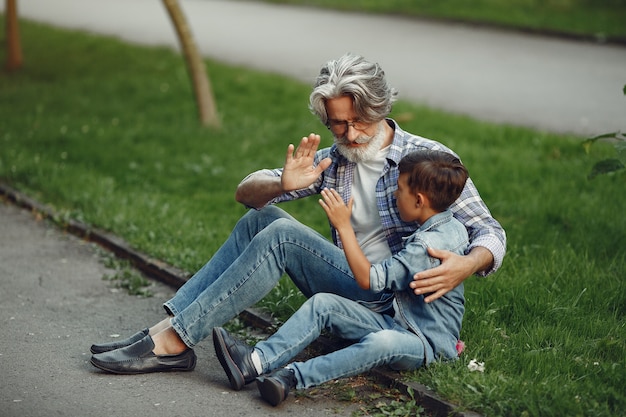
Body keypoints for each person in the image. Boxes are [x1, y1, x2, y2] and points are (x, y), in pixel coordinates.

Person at [89, 53, 505, 375]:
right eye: (338, 125)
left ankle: (174, 342)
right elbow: (244, 193)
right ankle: (172, 328)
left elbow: (489, 230)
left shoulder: (427, 163)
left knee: (282, 236)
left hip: (394, 300)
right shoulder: (333, 162)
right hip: (353, 283)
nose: (350, 134)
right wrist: (280, 186)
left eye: (359, 121)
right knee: (261, 219)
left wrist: (466, 265)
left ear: (380, 107)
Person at [212, 149, 470, 406]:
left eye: (400, 189)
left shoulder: (426, 245)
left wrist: (344, 226)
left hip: (425, 342)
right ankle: (255, 362)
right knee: (323, 303)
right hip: (398, 320)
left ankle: (292, 376)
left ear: (419, 200)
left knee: (382, 342)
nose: (395, 194)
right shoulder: (452, 227)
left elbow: (370, 279)